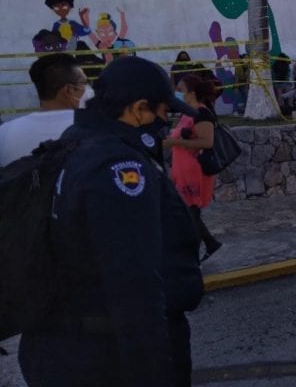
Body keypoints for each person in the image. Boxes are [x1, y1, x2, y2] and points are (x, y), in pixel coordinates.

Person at [18, 56, 203, 386]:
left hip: (66, 348)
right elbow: (134, 287)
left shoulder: (74, 142)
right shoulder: (118, 168)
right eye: (162, 112)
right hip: (104, 354)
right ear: (138, 109)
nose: (164, 122)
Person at [164, 74, 223, 263]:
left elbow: (207, 142)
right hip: (182, 168)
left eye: (180, 90)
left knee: (191, 214)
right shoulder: (186, 113)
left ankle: (193, 255)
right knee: (189, 212)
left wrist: (173, 141)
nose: (177, 94)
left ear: (191, 93)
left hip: (194, 169)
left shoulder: (202, 113)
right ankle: (209, 243)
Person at [0, 53, 90, 167]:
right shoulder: (96, 129)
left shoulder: (4, 133)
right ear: (69, 90)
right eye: (84, 83)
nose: (88, 88)